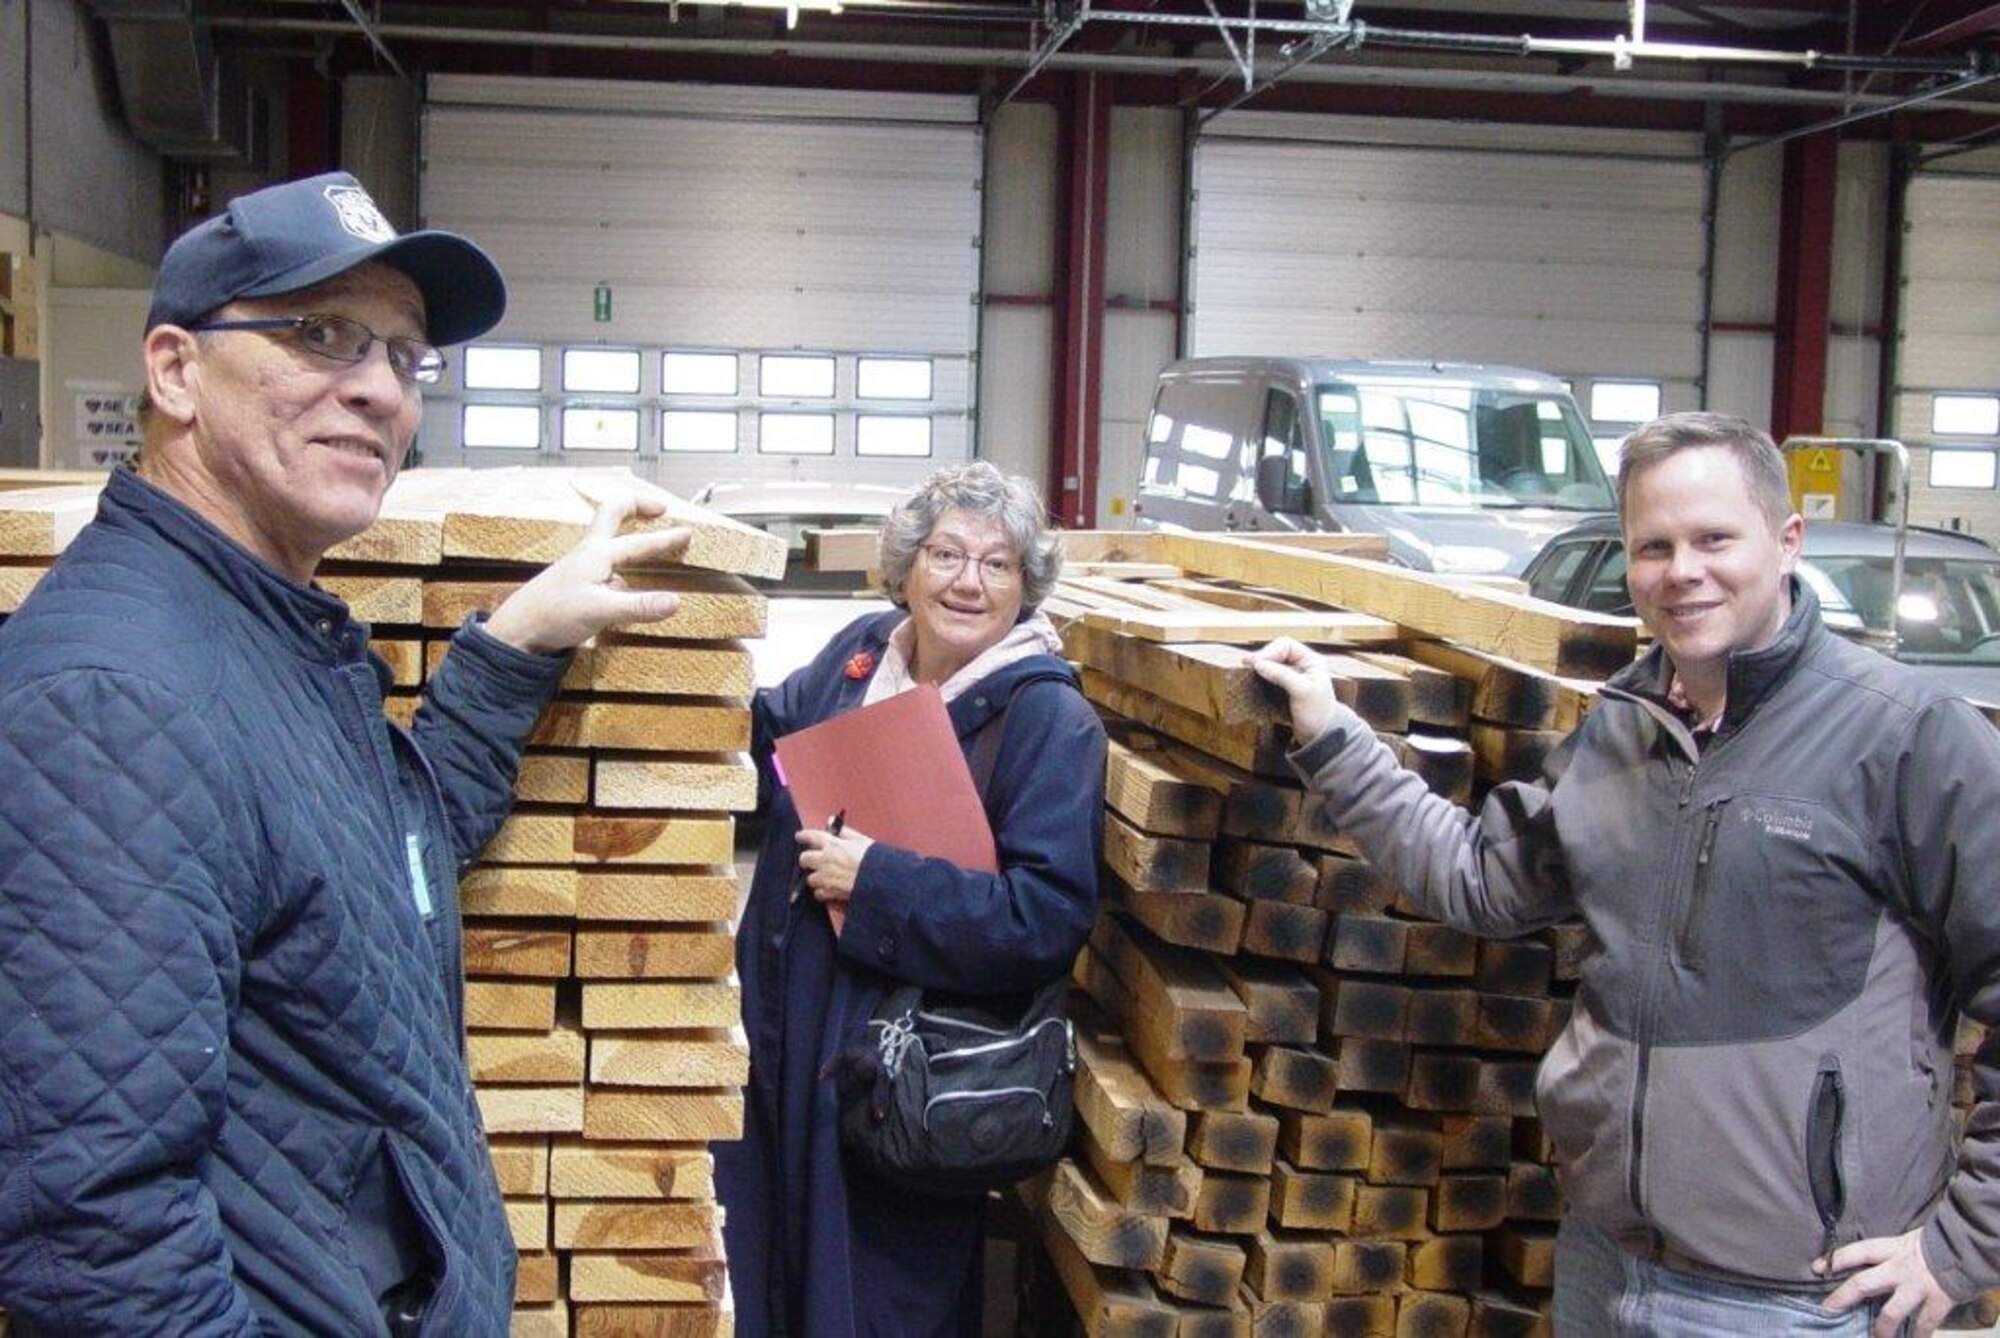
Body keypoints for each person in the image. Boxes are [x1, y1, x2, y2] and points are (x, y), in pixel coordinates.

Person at [0, 171, 694, 1334]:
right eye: (319, 335)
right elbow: (91, 1228)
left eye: (404, 356)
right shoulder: (114, 699)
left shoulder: (260, 634)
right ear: (175, 370)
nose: (375, 390)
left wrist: (516, 639)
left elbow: (385, 863)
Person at [1251, 411, 2000, 1338]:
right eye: (1654, 547)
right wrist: (1332, 737)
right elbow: (1481, 879)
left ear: (1786, 539)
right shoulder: (1625, 731)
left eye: (1714, 539)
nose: (1683, 572)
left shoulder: (1911, 738)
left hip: (1801, 1299)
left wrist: (1962, 1246)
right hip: (1607, 1264)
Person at [717, 461, 1107, 1337]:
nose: (968, 582)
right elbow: (771, 739)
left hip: (905, 1071)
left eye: (997, 564)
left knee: (881, 1300)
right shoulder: (861, 654)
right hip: (785, 1039)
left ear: (1025, 587)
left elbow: (1043, 918)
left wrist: (880, 883)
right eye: (946, 553)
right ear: (906, 567)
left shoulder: (1047, 720)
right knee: (765, 1272)